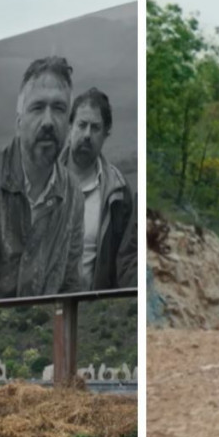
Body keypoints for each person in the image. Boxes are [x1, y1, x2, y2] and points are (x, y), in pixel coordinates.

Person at [0, 56, 85, 302]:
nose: (48, 121)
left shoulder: (73, 196)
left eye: (59, 109)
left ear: (69, 126)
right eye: (37, 108)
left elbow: (70, 287)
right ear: (19, 122)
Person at [60, 87, 136, 290]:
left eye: (95, 128)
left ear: (105, 134)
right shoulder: (41, 179)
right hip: (38, 304)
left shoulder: (118, 193)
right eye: (82, 125)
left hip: (92, 307)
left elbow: (123, 262)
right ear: (70, 127)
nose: (87, 134)